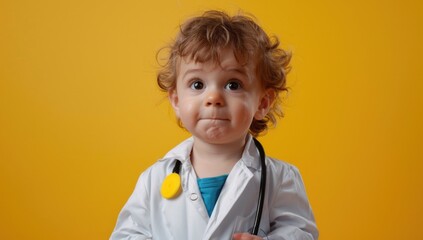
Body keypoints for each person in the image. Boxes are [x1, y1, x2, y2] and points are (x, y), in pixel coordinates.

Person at [110, 10, 318, 240]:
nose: (213, 97)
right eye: (197, 84)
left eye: (233, 84)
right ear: (177, 101)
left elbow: (301, 233)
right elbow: (127, 234)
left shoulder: (280, 178)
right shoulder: (154, 179)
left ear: (262, 102)